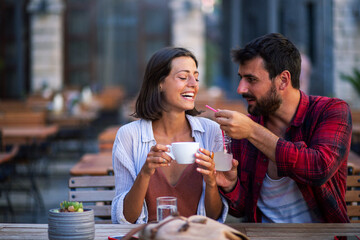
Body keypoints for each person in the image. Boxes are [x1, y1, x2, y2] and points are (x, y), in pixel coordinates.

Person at [214, 33, 352, 223]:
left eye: (251, 79)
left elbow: (318, 168)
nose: (240, 89)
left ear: (283, 80)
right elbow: (242, 209)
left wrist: (253, 131)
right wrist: (230, 186)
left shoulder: (330, 111)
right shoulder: (245, 129)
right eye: (241, 78)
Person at [111, 47, 228, 224]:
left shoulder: (212, 132)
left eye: (196, 78)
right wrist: (145, 172)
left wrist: (211, 181)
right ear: (160, 83)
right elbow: (125, 219)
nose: (194, 84)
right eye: (183, 77)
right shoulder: (128, 136)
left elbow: (215, 218)